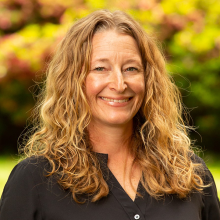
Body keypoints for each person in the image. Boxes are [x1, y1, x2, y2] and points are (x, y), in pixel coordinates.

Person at [0, 10, 219, 220]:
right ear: (73, 81)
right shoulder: (34, 180)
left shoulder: (191, 175)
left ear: (149, 79)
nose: (119, 84)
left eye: (131, 69)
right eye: (100, 68)